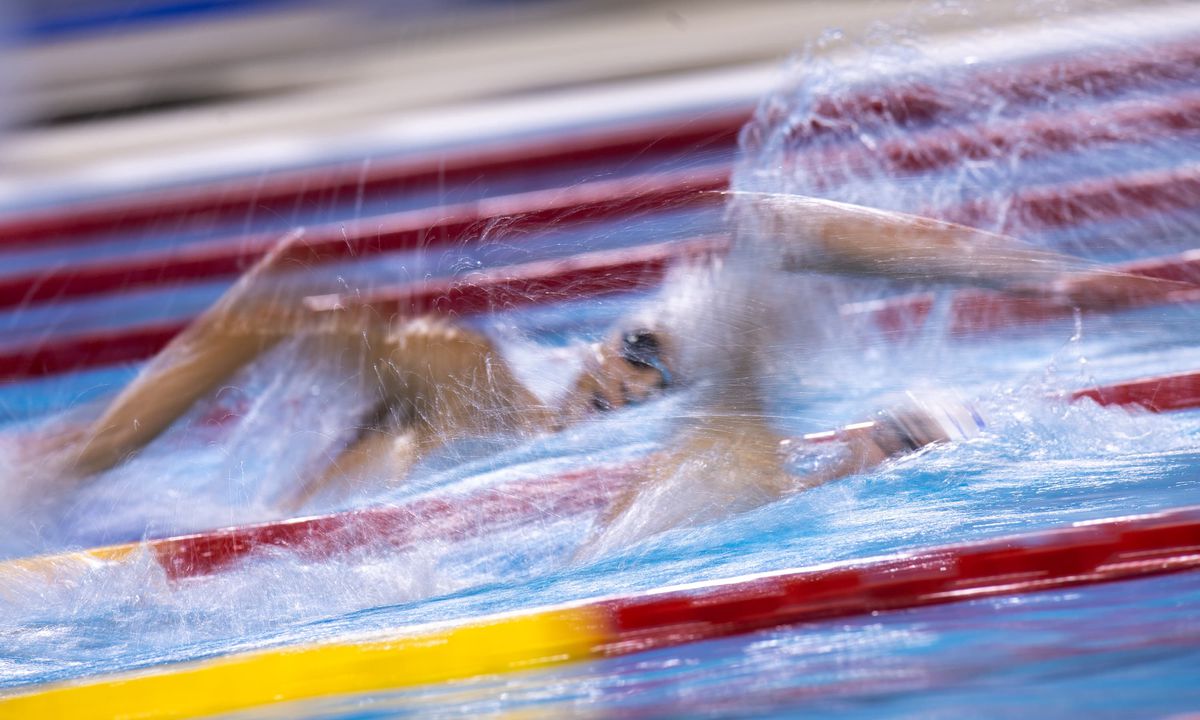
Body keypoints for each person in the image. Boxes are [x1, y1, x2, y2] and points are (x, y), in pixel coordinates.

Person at [44, 193, 1181, 539]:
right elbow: (281, 296)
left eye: (656, 384)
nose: (629, 382)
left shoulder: (636, 477)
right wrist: (76, 466)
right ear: (599, 337)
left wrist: (880, 449)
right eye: (636, 347)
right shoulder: (463, 382)